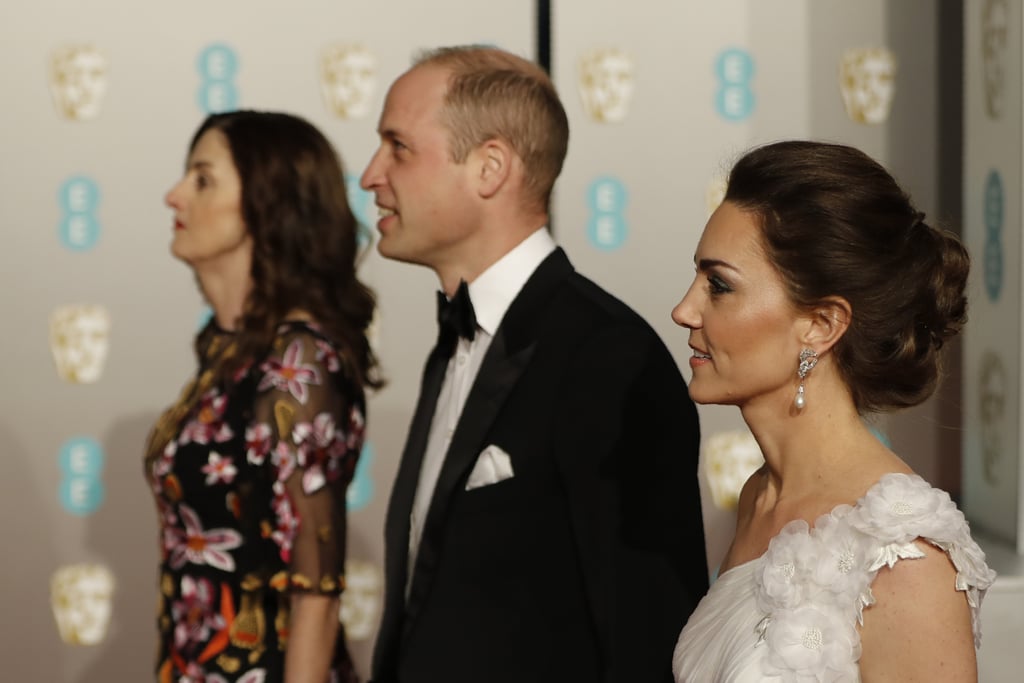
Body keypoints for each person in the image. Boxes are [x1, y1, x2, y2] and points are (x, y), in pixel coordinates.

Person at [360, 45, 708, 683]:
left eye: (398, 147)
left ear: (490, 167)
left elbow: (644, 631)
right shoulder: (453, 346)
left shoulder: (608, 357)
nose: (370, 175)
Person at [671, 140, 997, 681]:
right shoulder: (759, 496)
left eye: (719, 285)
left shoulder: (902, 553)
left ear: (821, 325)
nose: (684, 310)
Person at [144, 110, 380, 683]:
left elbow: (317, 594)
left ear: (268, 204)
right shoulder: (227, 354)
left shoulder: (299, 364)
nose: (173, 196)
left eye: (203, 179)